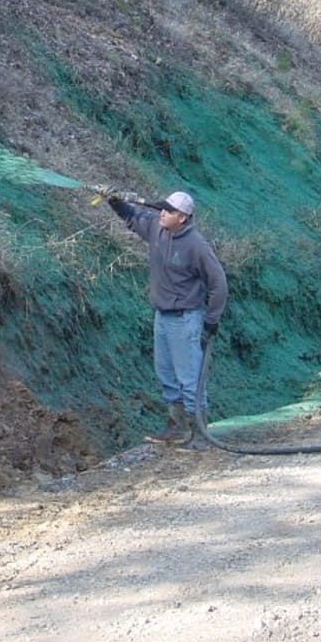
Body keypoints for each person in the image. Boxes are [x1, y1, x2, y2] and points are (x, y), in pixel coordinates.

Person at [104, 189, 227, 450]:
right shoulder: (157, 229)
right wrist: (114, 201)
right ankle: (176, 427)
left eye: (168, 211)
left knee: (189, 378)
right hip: (162, 316)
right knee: (167, 375)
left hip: (185, 319)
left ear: (182, 217)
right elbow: (132, 217)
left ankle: (199, 433)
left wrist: (212, 319)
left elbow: (218, 284)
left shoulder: (197, 246)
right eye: (162, 208)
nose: (161, 213)